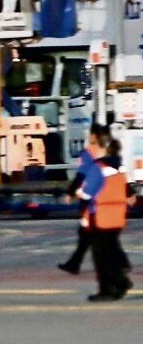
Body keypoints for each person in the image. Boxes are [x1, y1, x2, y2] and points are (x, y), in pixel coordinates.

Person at [79, 140, 133, 301]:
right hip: (117, 217)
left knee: (101, 256)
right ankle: (120, 282)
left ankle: (108, 289)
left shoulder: (98, 168)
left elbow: (87, 193)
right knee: (111, 251)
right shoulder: (120, 168)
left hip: (101, 217)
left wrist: (79, 192)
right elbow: (126, 190)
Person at [58, 124, 105, 275]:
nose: (87, 136)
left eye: (89, 134)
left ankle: (75, 264)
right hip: (102, 197)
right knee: (90, 233)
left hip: (89, 198)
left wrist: (70, 192)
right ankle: (74, 263)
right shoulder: (105, 152)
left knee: (87, 232)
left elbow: (80, 175)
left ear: (94, 136)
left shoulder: (88, 153)